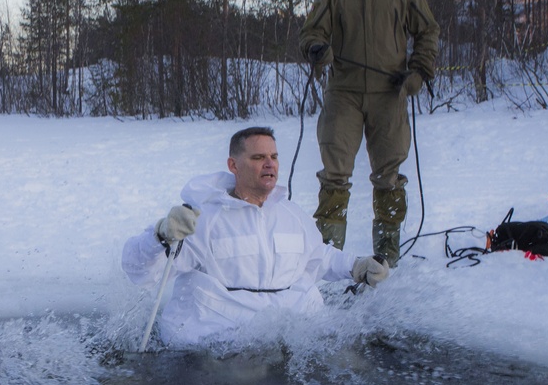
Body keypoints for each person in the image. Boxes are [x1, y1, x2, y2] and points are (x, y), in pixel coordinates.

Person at [121, 126, 390, 346]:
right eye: (258, 158)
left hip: (289, 338)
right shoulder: (202, 219)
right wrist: (160, 237)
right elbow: (139, 271)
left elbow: (318, 258)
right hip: (215, 345)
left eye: (273, 157)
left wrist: (356, 266)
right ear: (233, 165)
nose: (269, 164)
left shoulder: (292, 215)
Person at [299, 0, 440, 266]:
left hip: (389, 92)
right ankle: (328, 257)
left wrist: (419, 71)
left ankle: (387, 254)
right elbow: (311, 32)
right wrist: (318, 48)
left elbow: (428, 31)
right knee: (334, 172)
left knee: (389, 173)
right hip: (343, 93)